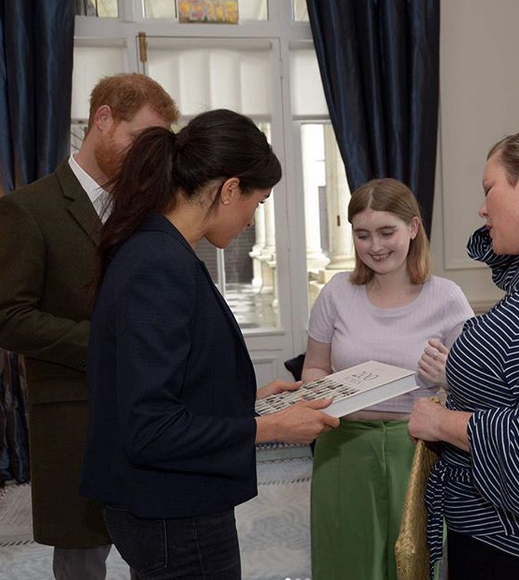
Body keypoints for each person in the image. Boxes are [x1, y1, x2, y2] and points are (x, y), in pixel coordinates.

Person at [79, 108, 340, 580]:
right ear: (229, 189)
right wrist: (272, 429)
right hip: (174, 509)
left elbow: (171, 383)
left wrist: (250, 404)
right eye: (257, 204)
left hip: (166, 503)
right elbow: (151, 428)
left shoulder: (159, 248)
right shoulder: (159, 263)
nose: (251, 222)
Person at [0, 73, 179, 580]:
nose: (146, 155)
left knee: (157, 549)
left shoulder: (147, 211)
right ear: (103, 120)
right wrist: (104, 346)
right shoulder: (27, 209)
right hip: (74, 418)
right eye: (138, 138)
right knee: (82, 560)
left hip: (150, 414)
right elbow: (8, 317)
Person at [408, 121, 519, 580]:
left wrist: (441, 422)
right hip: (492, 534)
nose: (482, 208)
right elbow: (494, 248)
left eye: (489, 188)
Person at [302, 178, 473, 580]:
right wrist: (319, 392)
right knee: (345, 563)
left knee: (415, 564)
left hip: (416, 451)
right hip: (343, 447)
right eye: (362, 235)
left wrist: (447, 376)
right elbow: (314, 367)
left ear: (413, 228)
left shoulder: (447, 297)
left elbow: (475, 389)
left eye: (386, 232)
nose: (375, 246)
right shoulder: (336, 293)